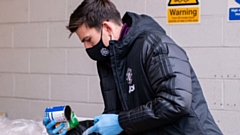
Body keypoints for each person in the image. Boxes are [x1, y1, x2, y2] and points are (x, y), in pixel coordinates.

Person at [43, 0, 223, 135]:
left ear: (106, 27)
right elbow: (114, 122)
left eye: (88, 39)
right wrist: (71, 131)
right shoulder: (110, 63)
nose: (87, 48)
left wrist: (121, 121)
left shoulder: (154, 45)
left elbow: (176, 102)